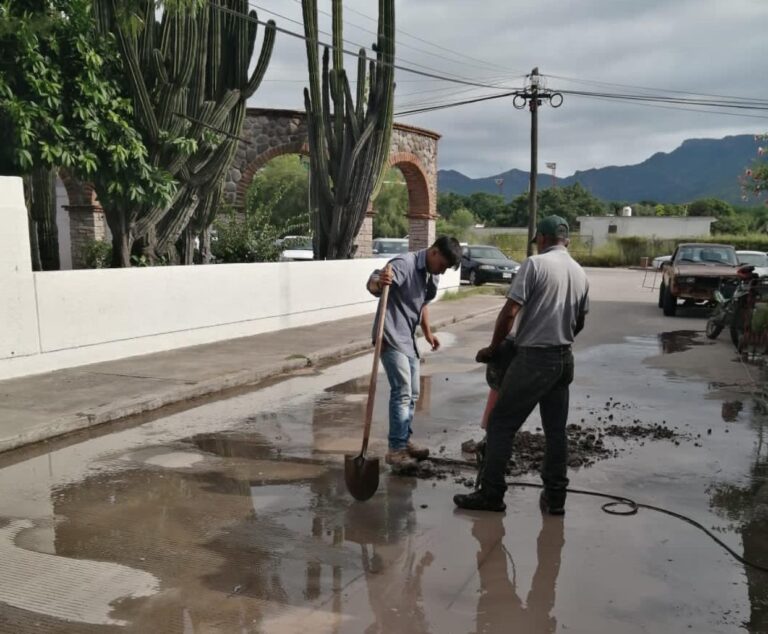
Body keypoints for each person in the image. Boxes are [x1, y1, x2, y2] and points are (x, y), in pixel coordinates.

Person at [454, 216, 589, 514]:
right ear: (565, 240)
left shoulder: (535, 265)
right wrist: (559, 337)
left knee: (502, 424)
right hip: (564, 359)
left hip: (534, 359)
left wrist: (493, 348)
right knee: (556, 432)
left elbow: (509, 312)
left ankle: (491, 494)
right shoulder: (580, 273)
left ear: (541, 238)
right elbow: (579, 322)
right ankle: (555, 499)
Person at [366, 236, 463, 468]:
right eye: (443, 264)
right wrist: (380, 282)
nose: (443, 270)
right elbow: (373, 283)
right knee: (402, 391)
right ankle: (396, 450)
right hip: (389, 335)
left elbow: (423, 305)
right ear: (434, 252)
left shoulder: (432, 274)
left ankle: (404, 439)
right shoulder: (404, 264)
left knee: (414, 393)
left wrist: (428, 333)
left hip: (408, 339)